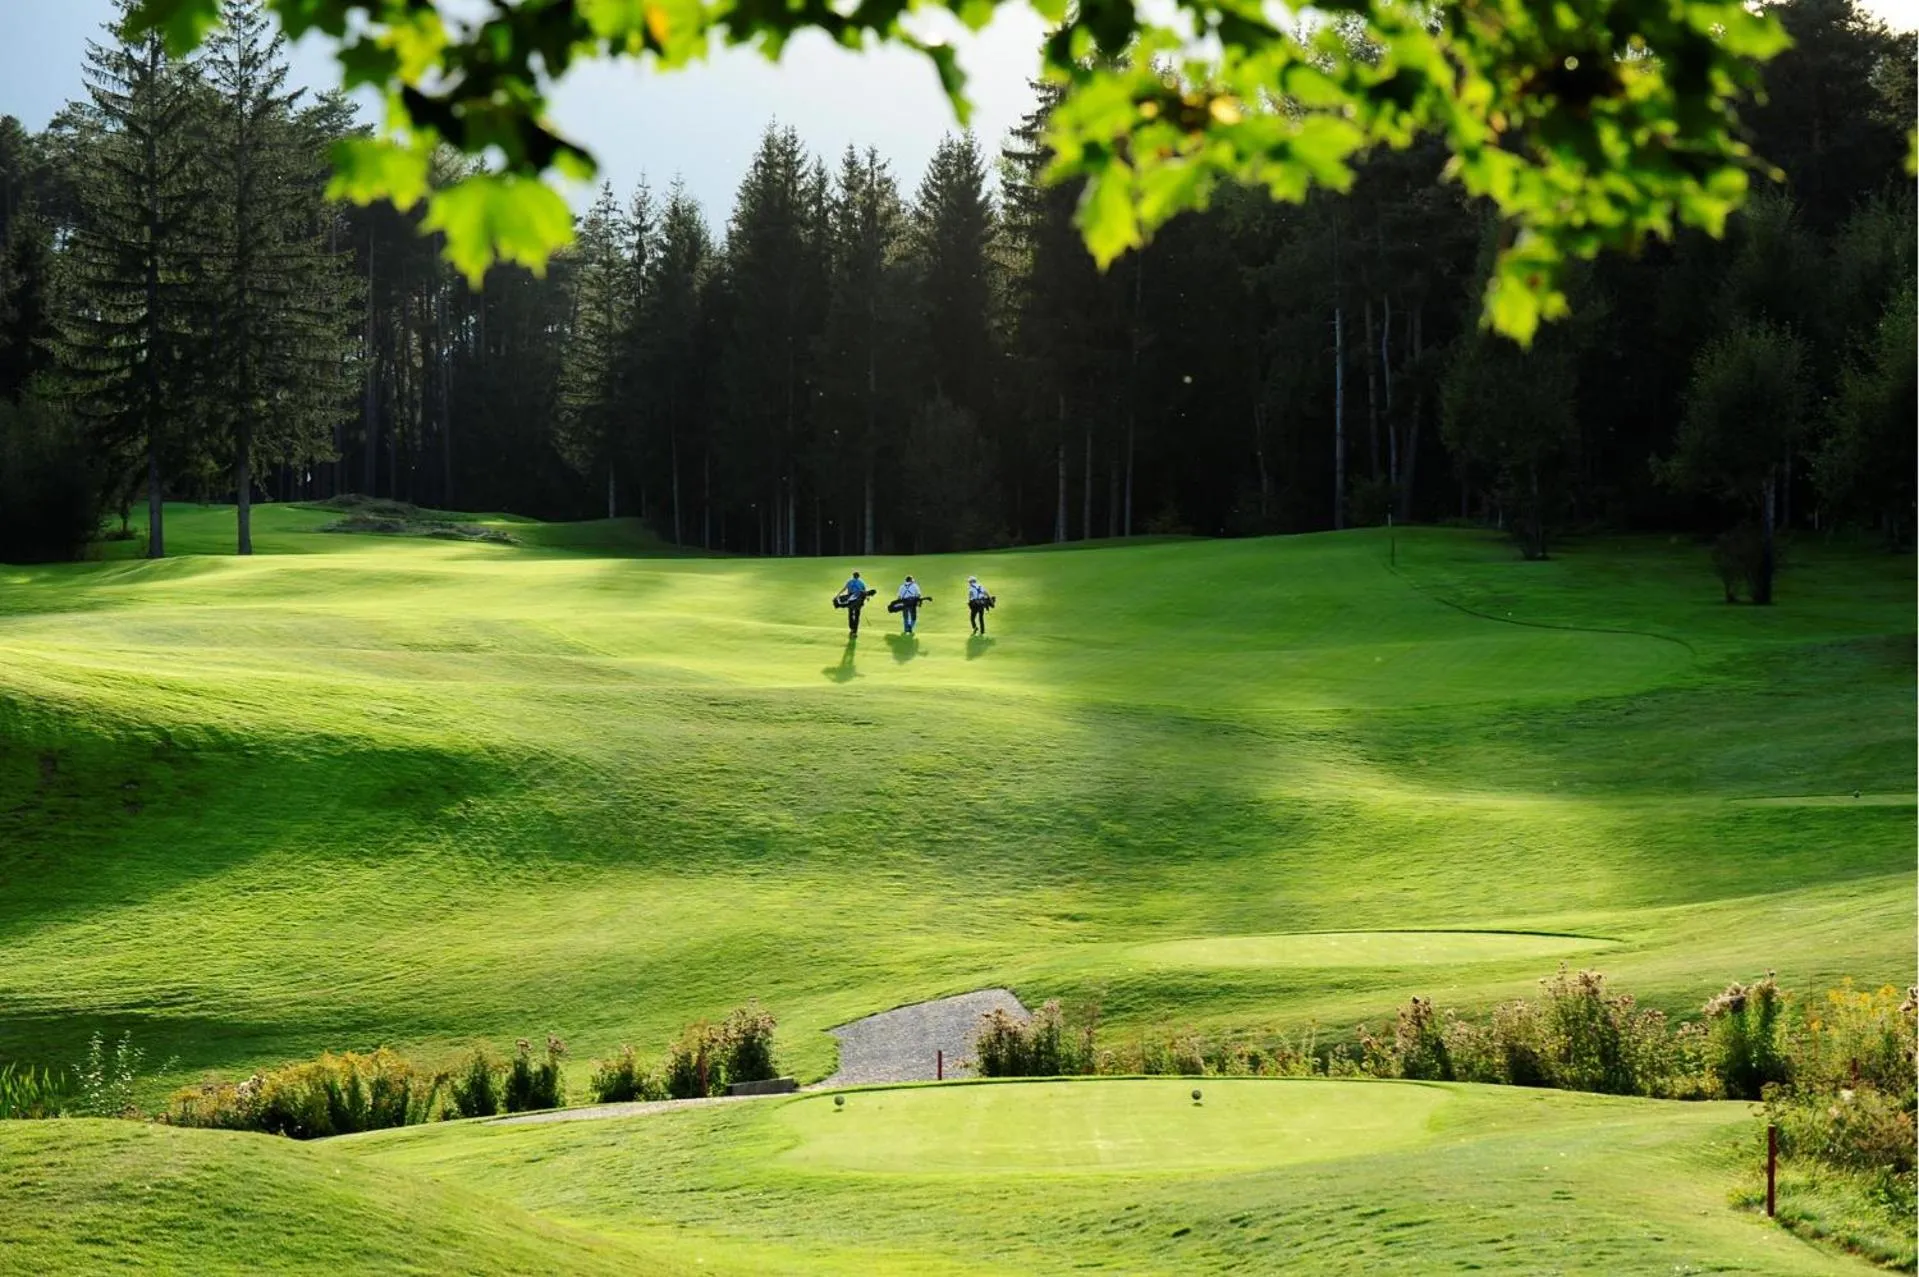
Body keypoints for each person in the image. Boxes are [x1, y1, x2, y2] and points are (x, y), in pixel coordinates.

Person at [836, 570, 873, 635]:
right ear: (858, 576)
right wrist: (867, 598)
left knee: (850, 614)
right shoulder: (861, 582)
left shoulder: (849, 582)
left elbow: (844, 589)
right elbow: (864, 591)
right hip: (858, 600)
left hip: (850, 600)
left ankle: (852, 629)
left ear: (853, 576)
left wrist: (838, 595)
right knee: (857, 615)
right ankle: (855, 631)